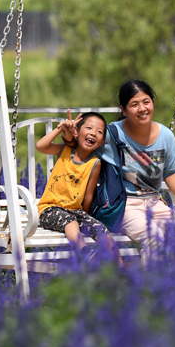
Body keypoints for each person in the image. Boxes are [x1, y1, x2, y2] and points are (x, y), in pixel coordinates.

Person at [65, 79, 175, 261]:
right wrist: (71, 134)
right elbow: (79, 150)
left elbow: (171, 171)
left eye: (146, 102)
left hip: (155, 203)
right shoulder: (111, 134)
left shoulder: (166, 136)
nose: (142, 109)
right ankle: (152, 288)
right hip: (125, 206)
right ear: (124, 110)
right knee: (154, 238)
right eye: (134, 104)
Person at [36, 112, 121, 264]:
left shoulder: (95, 163)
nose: (93, 133)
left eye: (99, 132)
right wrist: (60, 128)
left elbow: (88, 196)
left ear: (102, 142)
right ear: (76, 131)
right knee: (70, 221)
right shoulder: (65, 151)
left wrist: (86, 219)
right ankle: (86, 254)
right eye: (88, 128)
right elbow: (41, 146)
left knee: (100, 228)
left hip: (76, 212)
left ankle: (121, 269)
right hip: (50, 209)